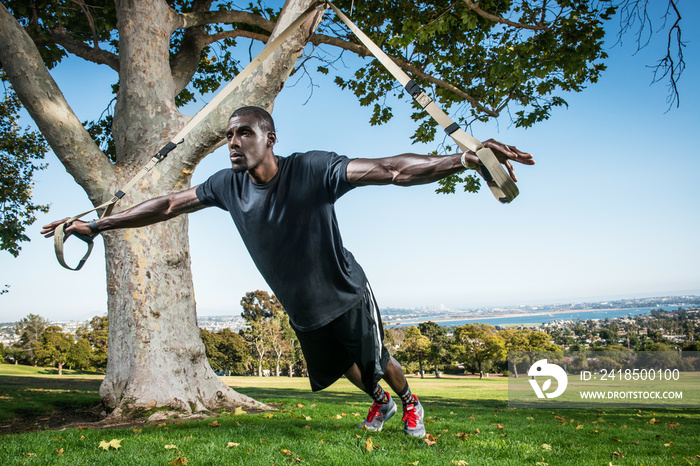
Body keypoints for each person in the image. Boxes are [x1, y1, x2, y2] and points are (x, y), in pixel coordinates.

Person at [42, 106, 534, 438]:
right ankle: (380, 403)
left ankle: (409, 401)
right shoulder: (225, 186)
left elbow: (392, 169)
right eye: (228, 135)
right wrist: (98, 224)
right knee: (343, 369)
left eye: (244, 133)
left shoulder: (313, 169)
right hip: (304, 308)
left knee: (376, 358)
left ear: (269, 138)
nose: (233, 142)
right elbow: (169, 202)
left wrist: (466, 158)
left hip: (347, 292)